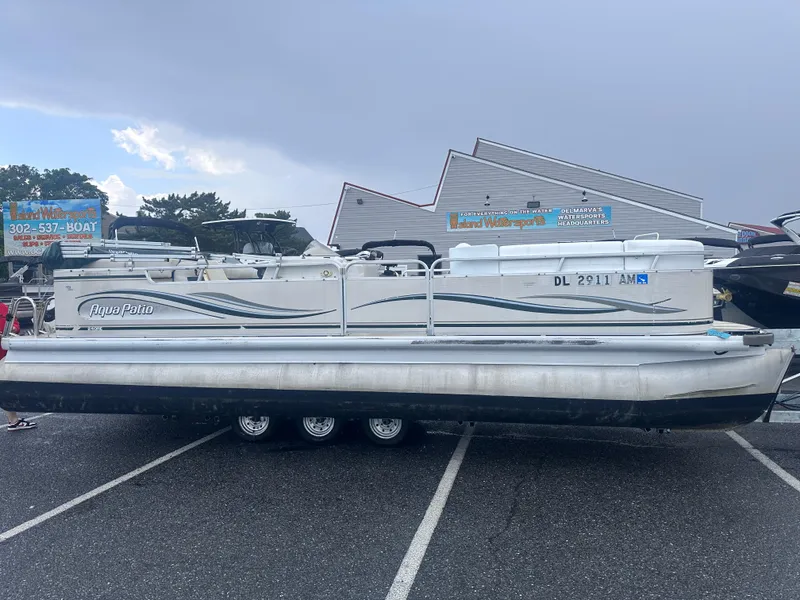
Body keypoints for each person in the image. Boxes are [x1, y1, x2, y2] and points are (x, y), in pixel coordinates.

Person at [0, 301, 36, 432]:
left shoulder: (3, 307)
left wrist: (13, 329)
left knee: (4, 388)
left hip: (5, 353)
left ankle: (13, 421)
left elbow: (15, 325)